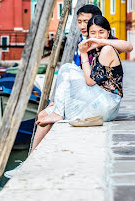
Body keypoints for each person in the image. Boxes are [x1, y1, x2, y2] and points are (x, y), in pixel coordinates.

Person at [31, 15, 123, 151]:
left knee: (67, 68)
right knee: (43, 114)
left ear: (108, 33)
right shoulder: (97, 51)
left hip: (107, 103)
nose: (97, 36)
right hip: (99, 100)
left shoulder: (107, 49)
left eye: (101, 32)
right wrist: (57, 101)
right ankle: (32, 157)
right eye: (93, 33)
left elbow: (90, 81)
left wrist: (83, 54)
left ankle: (58, 113)